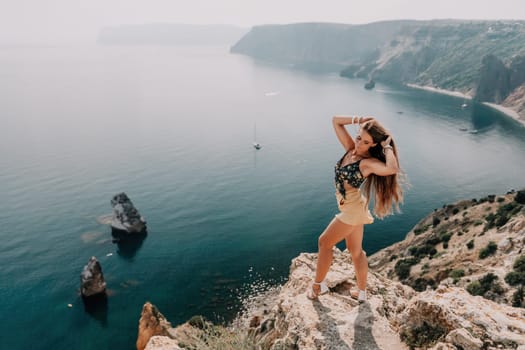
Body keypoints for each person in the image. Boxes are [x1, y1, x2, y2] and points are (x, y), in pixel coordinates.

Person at [307, 115, 404, 302]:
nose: (359, 143)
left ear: (373, 145)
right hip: (355, 206)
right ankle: (361, 293)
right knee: (355, 251)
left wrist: (388, 146)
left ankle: (318, 287)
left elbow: (392, 169)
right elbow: (335, 120)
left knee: (324, 242)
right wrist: (358, 119)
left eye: (366, 142)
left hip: (352, 211)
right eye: (359, 137)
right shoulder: (351, 149)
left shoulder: (366, 164)